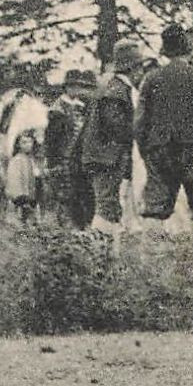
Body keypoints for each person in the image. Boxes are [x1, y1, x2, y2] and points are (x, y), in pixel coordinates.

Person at [134, 26, 193, 242]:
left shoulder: (151, 79)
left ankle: (150, 265)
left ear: (165, 51)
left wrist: (147, 149)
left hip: (159, 148)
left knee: (154, 209)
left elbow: (139, 122)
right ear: (188, 50)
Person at [79, 39, 143, 238]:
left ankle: (108, 255)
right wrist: (139, 129)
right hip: (106, 157)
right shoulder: (116, 91)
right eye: (139, 67)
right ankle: (99, 252)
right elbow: (115, 125)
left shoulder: (116, 88)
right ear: (133, 68)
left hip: (108, 156)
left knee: (111, 206)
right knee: (107, 206)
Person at [44, 68, 96, 228]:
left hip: (78, 158)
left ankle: (80, 227)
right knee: (66, 195)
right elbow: (52, 140)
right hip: (63, 158)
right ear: (66, 87)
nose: (77, 89)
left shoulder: (81, 106)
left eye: (79, 86)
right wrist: (53, 162)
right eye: (73, 86)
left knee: (81, 193)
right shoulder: (57, 109)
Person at [4, 130, 42, 223]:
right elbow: (14, 180)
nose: (28, 145)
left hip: (32, 194)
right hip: (21, 197)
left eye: (30, 142)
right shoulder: (16, 160)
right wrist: (19, 196)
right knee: (20, 218)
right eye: (24, 142)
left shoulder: (32, 160)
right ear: (18, 144)